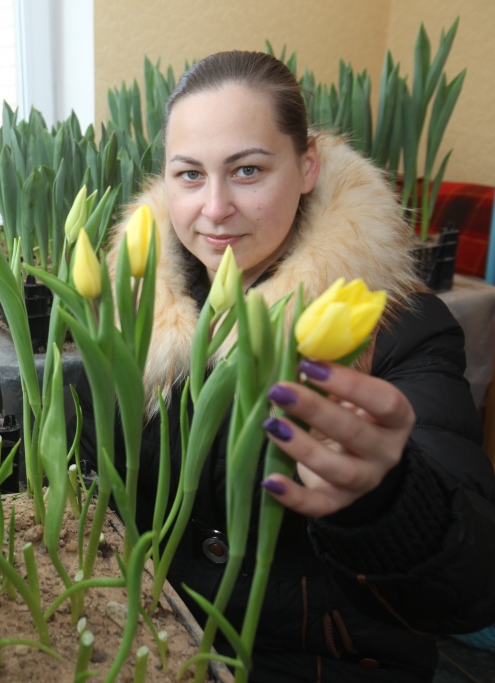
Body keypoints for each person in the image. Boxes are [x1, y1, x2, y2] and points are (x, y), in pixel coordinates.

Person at [72, 50, 495, 682]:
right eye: (189, 175)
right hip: (153, 645)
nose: (214, 208)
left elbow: (472, 584)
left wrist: (388, 501)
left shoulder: (395, 324)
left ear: (306, 167)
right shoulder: (130, 320)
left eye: (247, 170)